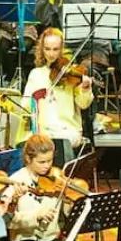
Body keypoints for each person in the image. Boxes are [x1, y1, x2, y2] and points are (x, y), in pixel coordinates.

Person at [21, 29, 93, 163]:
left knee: (59, 142)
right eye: (47, 49)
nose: (51, 54)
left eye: (55, 49)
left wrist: (85, 88)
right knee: (27, 142)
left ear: (62, 49)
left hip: (67, 128)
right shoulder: (36, 74)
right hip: (43, 128)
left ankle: (64, 177)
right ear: (42, 49)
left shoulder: (71, 74)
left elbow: (84, 104)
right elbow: (26, 105)